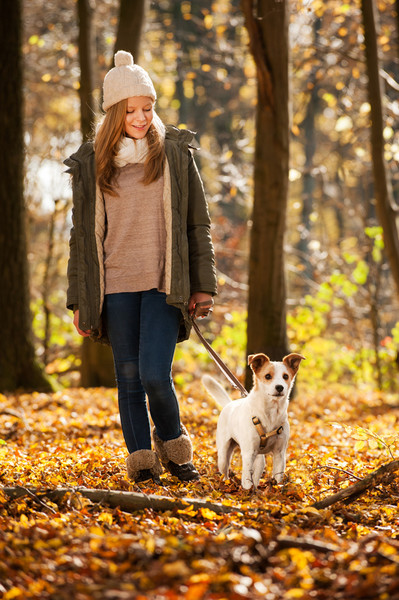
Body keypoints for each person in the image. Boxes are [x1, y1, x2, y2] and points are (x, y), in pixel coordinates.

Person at [65, 50, 217, 484]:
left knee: (154, 373)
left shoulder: (174, 154)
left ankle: (174, 444)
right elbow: (82, 240)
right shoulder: (91, 165)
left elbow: (197, 224)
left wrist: (203, 285)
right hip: (114, 287)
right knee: (129, 379)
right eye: (130, 110)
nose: (140, 117)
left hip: (162, 282)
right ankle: (143, 463)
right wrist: (80, 301)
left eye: (147, 108)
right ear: (115, 112)